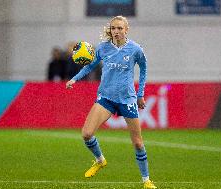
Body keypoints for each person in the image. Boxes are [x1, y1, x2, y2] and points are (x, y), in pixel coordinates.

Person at [66, 16, 157, 189]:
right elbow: (90, 66)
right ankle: (100, 160)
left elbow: (144, 68)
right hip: (106, 97)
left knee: (137, 142)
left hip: (127, 99)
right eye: (113, 28)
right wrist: (75, 79)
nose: (116, 31)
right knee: (86, 133)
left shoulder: (135, 49)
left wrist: (140, 94)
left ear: (126, 30)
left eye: (119, 28)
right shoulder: (103, 48)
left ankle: (146, 180)